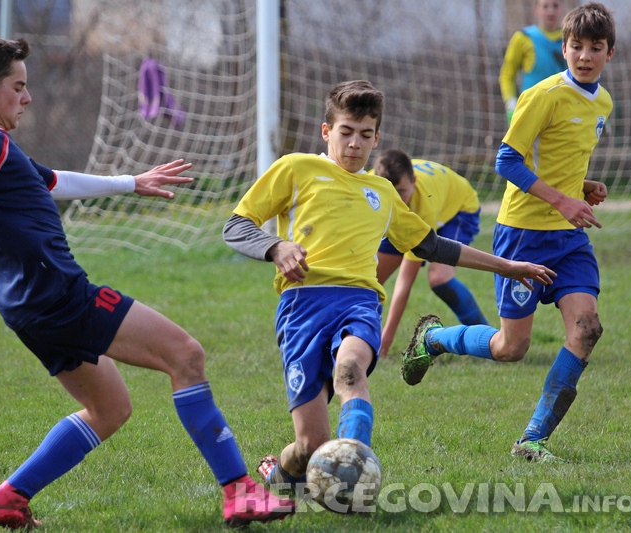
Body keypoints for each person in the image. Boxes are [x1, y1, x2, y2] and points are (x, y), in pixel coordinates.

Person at [0, 35, 294, 529]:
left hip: (27, 309)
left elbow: (53, 181)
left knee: (110, 407)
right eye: (19, 86)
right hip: (58, 295)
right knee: (185, 355)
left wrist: (131, 183)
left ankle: (8, 498)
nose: (27, 97)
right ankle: (240, 491)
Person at [222, 80, 555, 490]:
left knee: (350, 370)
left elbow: (431, 245)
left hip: (359, 302)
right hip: (301, 307)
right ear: (327, 132)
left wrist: (506, 266)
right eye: (345, 132)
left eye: (365, 135)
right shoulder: (295, 169)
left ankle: (352, 472)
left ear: (376, 138)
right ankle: (282, 476)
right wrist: (276, 247)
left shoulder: (381, 190)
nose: (354, 144)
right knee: (310, 444)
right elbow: (237, 226)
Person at [402, 2, 615, 464]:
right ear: (564, 48)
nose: (584, 55)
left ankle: (532, 440)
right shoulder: (542, 95)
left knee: (588, 329)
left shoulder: (603, 103)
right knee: (510, 347)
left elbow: (559, 163)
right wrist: (562, 198)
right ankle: (434, 339)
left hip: (569, 238)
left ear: (609, 54)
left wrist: (582, 186)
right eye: (576, 46)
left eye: (595, 48)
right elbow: (507, 161)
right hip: (523, 234)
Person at [374, 149, 489, 357]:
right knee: (369, 282)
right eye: (389, 192)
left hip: (457, 210)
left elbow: (404, 282)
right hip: (404, 218)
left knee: (439, 278)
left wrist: (386, 339)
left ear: (414, 182)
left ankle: (490, 341)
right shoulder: (371, 184)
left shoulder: (423, 204)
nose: (395, 199)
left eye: (401, 191)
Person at [499, 0, 568, 125]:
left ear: (562, 9)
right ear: (536, 10)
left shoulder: (571, 40)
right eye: (545, 6)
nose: (550, 11)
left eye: (555, 5)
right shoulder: (523, 37)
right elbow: (507, 75)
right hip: (530, 111)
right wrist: (511, 104)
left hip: (562, 112)